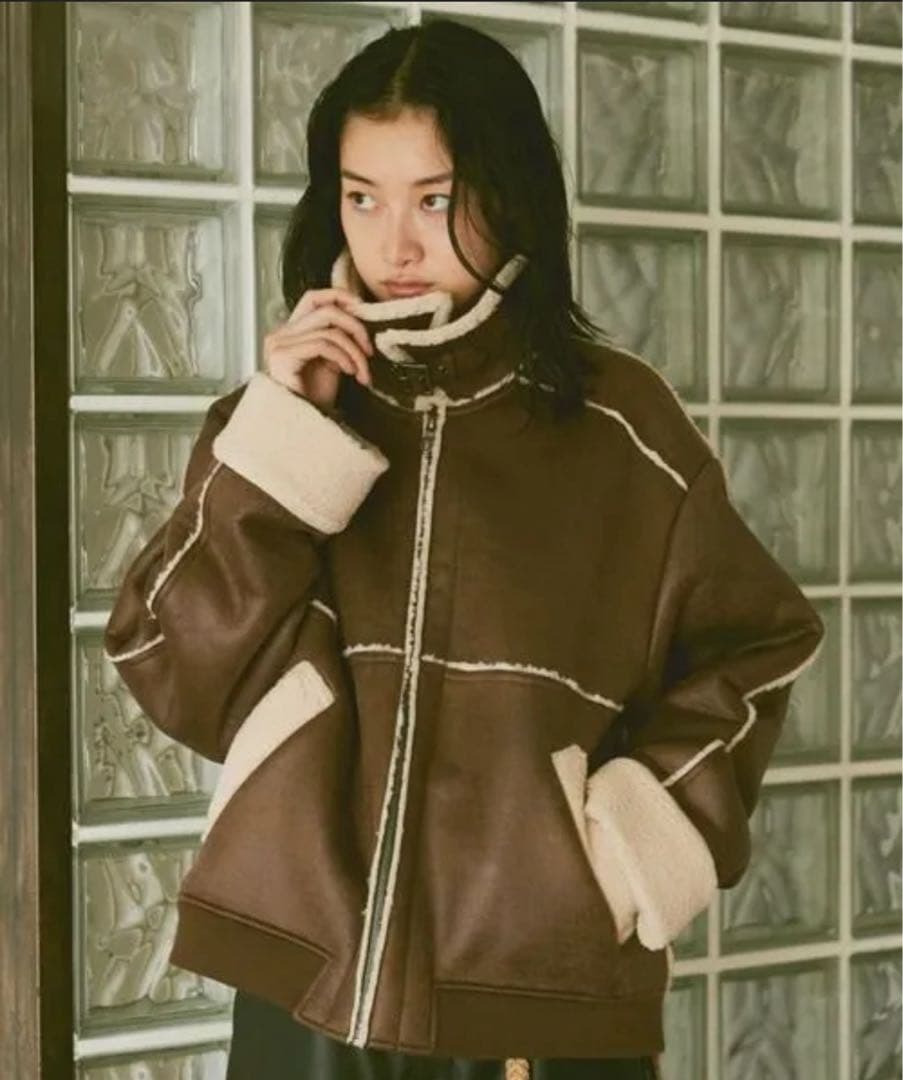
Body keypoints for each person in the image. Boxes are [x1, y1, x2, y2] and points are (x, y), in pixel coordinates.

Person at [102, 18, 825, 1080]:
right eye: (362, 197)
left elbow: (758, 646)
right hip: (311, 991)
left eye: (433, 200)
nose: (394, 245)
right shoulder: (294, 416)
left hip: (537, 995)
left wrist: (625, 851)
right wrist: (283, 434)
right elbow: (172, 669)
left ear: (508, 193)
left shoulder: (623, 432)